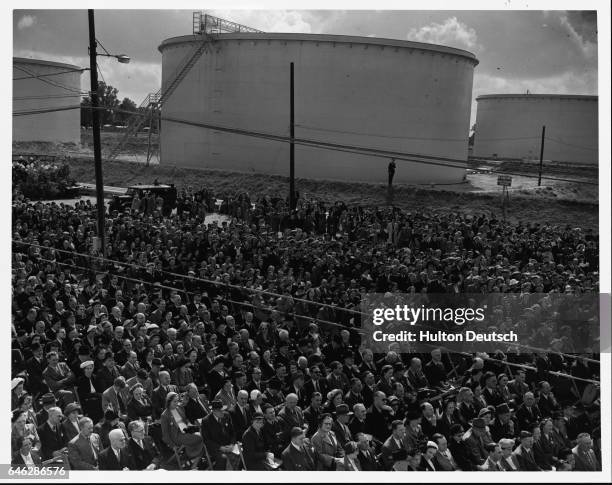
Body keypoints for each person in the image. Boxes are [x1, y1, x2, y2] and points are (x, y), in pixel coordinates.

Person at [160, 392, 204, 468]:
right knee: (200, 437)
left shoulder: (179, 408)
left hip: (186, 430)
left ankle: (194, 461)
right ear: (168, 402)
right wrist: (172, 445)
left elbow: (185, 420)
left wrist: (191, 425)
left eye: (177, 401)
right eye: (174, 401)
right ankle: (193, 458)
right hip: (177, 436)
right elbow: (165, 434)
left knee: (204, 434)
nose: (177, 403)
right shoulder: (164, 415)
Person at [200, 399, 236, 470]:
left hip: (228, 445)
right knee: (223, 458)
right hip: (216, 447)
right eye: (220, 410)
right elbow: (207, 440)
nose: (223, 412)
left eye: (222, 409)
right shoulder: (206, 421)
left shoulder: (227, 415)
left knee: (241, 454)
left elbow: (233, 432)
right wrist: (220, 447)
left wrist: (232, 444)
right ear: (214, 411)